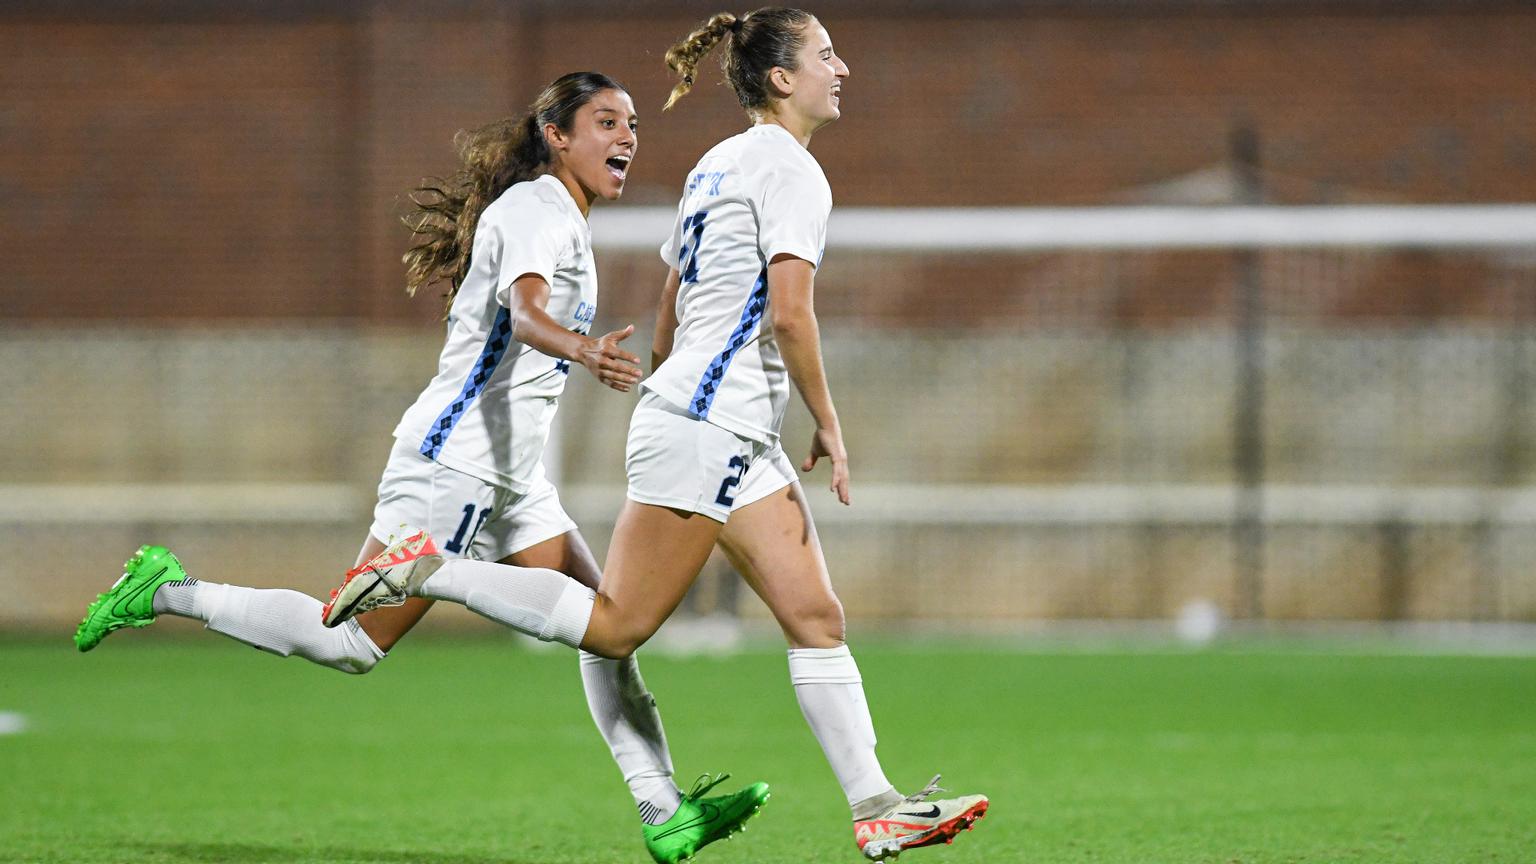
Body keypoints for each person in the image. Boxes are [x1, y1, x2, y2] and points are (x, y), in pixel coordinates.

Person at [323, 11, 990, 861]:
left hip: (724, 429)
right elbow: (790, 311)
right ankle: (428, 568)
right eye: (827, 55)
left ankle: (877, 806)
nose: (843, 68)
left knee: (817, 616)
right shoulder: (793, 174)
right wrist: (827, 420)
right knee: (615, 628)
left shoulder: (719, 163)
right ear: (781, 78)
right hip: (712, 428)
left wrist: (685, 383)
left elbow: (675, 295)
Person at [72, 71, 768, 864]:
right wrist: (581, 348)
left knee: (607, 632)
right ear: (557, 136)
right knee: (351, 647)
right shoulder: (536, 209)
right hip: (455, 464)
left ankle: (662, 808)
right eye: (606, 122)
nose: (627, 137)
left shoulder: (560, 216)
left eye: (633, 123)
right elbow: (527, 308)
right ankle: (163, 588)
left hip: (511, 472)